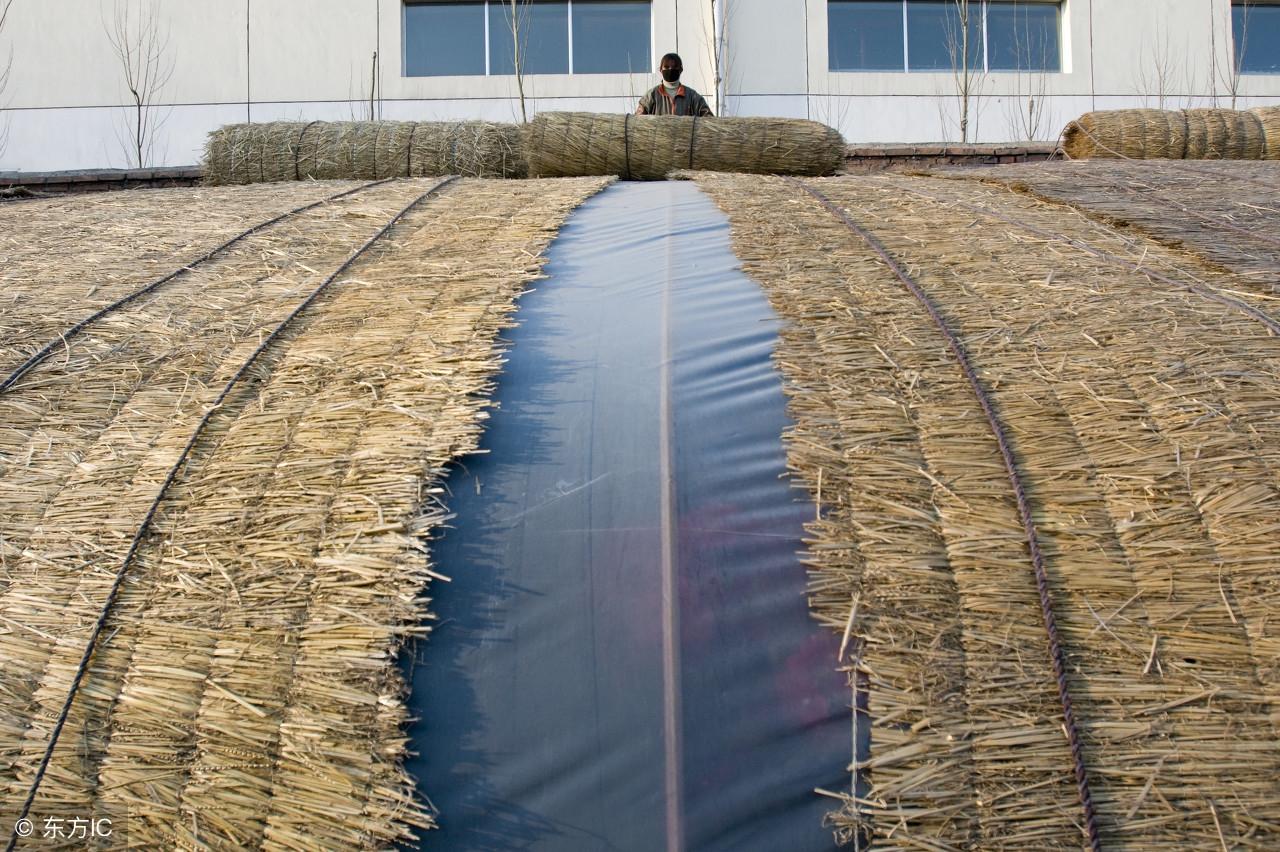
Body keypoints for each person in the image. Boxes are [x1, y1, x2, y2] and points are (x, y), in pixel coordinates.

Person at [635, 53, 713, 117]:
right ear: (660, 70)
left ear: (681, 69)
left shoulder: (693, 96)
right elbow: (637, 121)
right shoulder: (651, 96)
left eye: (674, 67)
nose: (670, 69)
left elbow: (709, 121)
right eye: (666, 67)